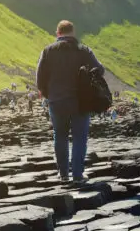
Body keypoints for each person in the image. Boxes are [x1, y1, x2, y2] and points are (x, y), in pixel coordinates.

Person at [35, 20, 104, 183]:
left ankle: (63, 174)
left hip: (57, 100)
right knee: (80, 137)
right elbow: (100, 69)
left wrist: (47, 93)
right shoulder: (84, 50)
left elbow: (40, 78)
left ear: (58, 33)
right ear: (73, 32)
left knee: (60, 136)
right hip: (81, 101)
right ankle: (78, 175)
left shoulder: (48, 51)